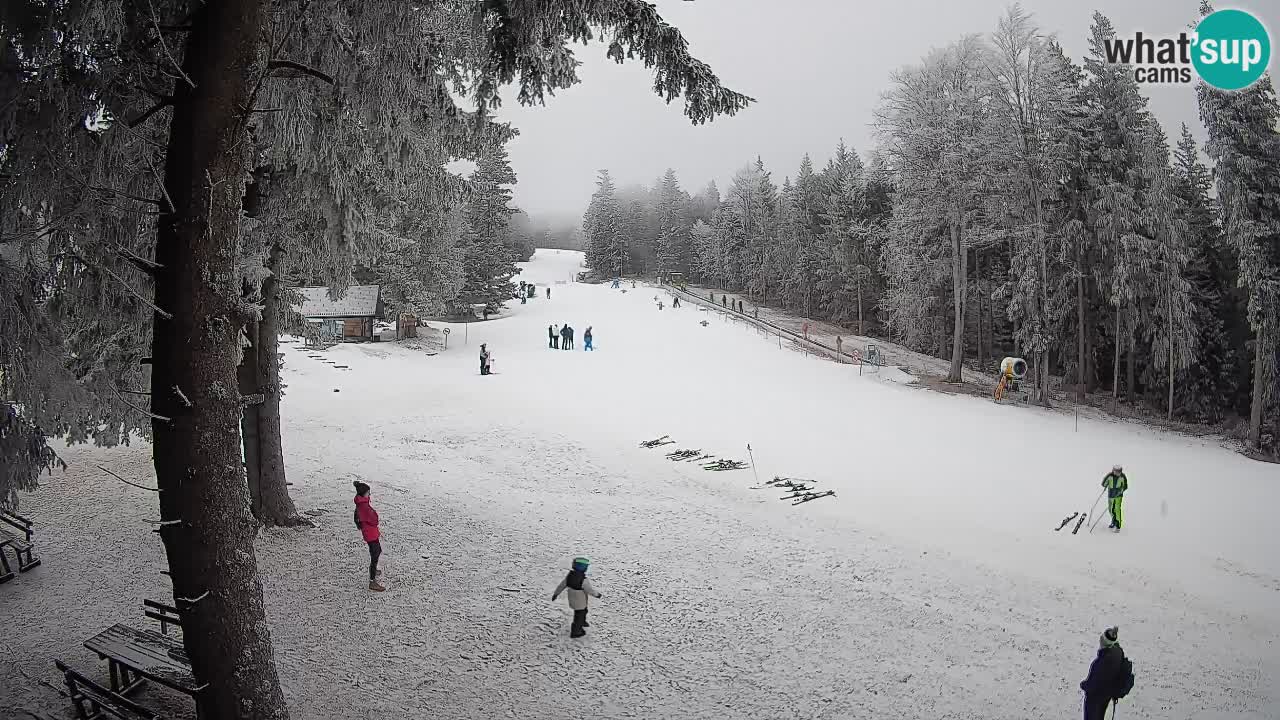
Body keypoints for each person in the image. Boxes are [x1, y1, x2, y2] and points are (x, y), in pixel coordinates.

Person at [1080, 627, 1130, 720]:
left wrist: (1084, 685)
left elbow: (1093, 684)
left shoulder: (1101, 662)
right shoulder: (1117, 652)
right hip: (1107, 696)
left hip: (1096, 700)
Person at [551, 557, 602, 638]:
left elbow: (561, 585)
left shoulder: (570, 576)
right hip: (580, 602)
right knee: (579, 616)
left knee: (583, 612)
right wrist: (597, 595)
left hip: (573, 599)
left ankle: (582, 622)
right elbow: (589, 590)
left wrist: (556, 594)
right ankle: (576, 632)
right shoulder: (583, 580)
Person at [353, 482, 385, 591]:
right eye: (368, 492)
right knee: (375, 554)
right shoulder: (364, 507)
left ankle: (374, 569)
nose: (369, 494)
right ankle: (372, 581)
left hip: (370, 532)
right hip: (370, 533)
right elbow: (374, 520)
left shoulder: (361, 503)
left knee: (377, 550)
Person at [1103, 464, 1129, 531]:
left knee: (1117, 509)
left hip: (1118, 496)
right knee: (1110, 509)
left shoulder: (1122, 477)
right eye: (1116, 472)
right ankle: (1113, 521)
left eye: (1119, 472)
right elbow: (1103, 483)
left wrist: (1121, 490)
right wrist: (1106, 484)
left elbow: (1125, 486)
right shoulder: (1110, 476)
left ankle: (1118, 526)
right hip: (1111, 495)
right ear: (1113, 471)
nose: (1117, 473)